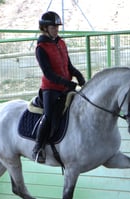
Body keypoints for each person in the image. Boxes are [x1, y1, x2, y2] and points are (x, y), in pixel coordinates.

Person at [33, 11, 86, 163]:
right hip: (51, 89)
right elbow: (48, 73)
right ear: (44, 28)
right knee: (49, 116)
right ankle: (38, 147)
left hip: (65, 87)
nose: (56, 29)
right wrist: (66, 83)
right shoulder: (41, 48)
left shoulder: (61, 43)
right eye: (53, 27)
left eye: (57, 27)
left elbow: (68, 65)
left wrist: (78, 75)